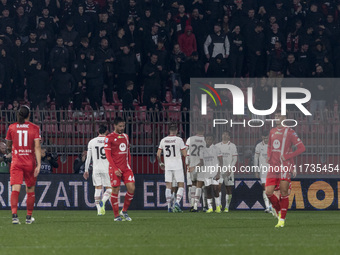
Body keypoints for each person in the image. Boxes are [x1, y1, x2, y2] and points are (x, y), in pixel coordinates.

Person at [266, 111, 305, 228]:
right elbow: (269, 146)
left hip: (284, 166)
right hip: (273, 166)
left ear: (285, 118)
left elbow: (302, 148)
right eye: (276, 116)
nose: (276, 118)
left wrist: (288, 157)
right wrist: (268, 155)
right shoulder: (272, 131)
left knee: (283, 193)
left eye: (279, 116)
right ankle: (278, 210)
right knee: (268, 192)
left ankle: (282, 219)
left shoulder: (290, 132)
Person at [5, 105, 41, 224]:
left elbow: (8, 146)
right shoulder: (35, 128)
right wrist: (39, 164)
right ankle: (28, 217)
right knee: (30, 190)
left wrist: (11, 151)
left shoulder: (12, 127)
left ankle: (14, 216)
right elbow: (37, 147)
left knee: (15, 189)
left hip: (16, 162)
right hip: (29, 162)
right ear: (29, 115)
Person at [104, 117, 135, 221]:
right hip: (115, 169)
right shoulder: (109, 138)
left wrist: (129, 165)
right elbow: (108, 156)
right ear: (115, 126)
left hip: (126, 168)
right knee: (115, 191)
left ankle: (124, 211)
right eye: (120, 126)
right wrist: (115, 169)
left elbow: (128, 153)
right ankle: (116, 216)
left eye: (123, 126)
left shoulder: (126, 137)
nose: (122, 128)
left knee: (131, 188)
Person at [157, 123, 187, 212]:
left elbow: (158, 154)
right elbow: (185, 154)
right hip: (177, 165)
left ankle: (169, 207)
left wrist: (160, 163)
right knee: (181, 184)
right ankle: (177, 203)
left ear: (168, 131)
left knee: (168, 186)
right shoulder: (179, 140)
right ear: (176, 131)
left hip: (168, 165)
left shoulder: (163, 140)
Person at [83, 125, 112, 216]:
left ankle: (99, 210)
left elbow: (88, 157)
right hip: (107, 168)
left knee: (98, 188)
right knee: (110, 188)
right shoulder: (109, 141)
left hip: (96, 168)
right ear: (106, 131)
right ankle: (103, 201)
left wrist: (86, 170)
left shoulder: (92, 141)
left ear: (98, 131)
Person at [191, 133, 223, 213]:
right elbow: (201, 163)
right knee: (208, 189)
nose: (208, 141)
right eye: (207, 139)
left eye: (210, 139)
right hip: (206, 172)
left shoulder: (217, 149)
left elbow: (221, 162)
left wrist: (218, 173)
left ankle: (218, 206)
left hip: (215, 171)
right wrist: (194, 167)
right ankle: (210, 207)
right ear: (205, 140)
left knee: (215, 189)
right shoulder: (202, 150)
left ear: (213, 140)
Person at [215, 131, 238, 213]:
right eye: (223, 134)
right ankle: (219, 205)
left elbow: (234, 158)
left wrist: (230, 168)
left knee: (228, 189)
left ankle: (227, 207)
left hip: (228, 170)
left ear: (229, 137)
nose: (224, 135)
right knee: (218, 187)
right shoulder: (217, 146)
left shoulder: (232, 146)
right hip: (219, 170)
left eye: (226, 134)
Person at [185, 125, 205, 212]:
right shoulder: (205, 140)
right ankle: (196, 206)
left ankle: (192, 204)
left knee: (193, 184)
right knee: (200, 185)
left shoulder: (190, 139)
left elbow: (185, 151)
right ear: (203, 131)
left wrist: (187, 163)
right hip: (201, 165)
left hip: (191, 165)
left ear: (196, 131)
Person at [254, 130, 272, 213]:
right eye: (264, 137)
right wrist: (256, 170)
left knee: (272, 189)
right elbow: (256, 158)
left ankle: (272, 206)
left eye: (267, 137)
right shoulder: (259, 146)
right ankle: (267, 207)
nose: (265, 138)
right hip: (263, 170)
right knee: (265, 188)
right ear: (262, 137)